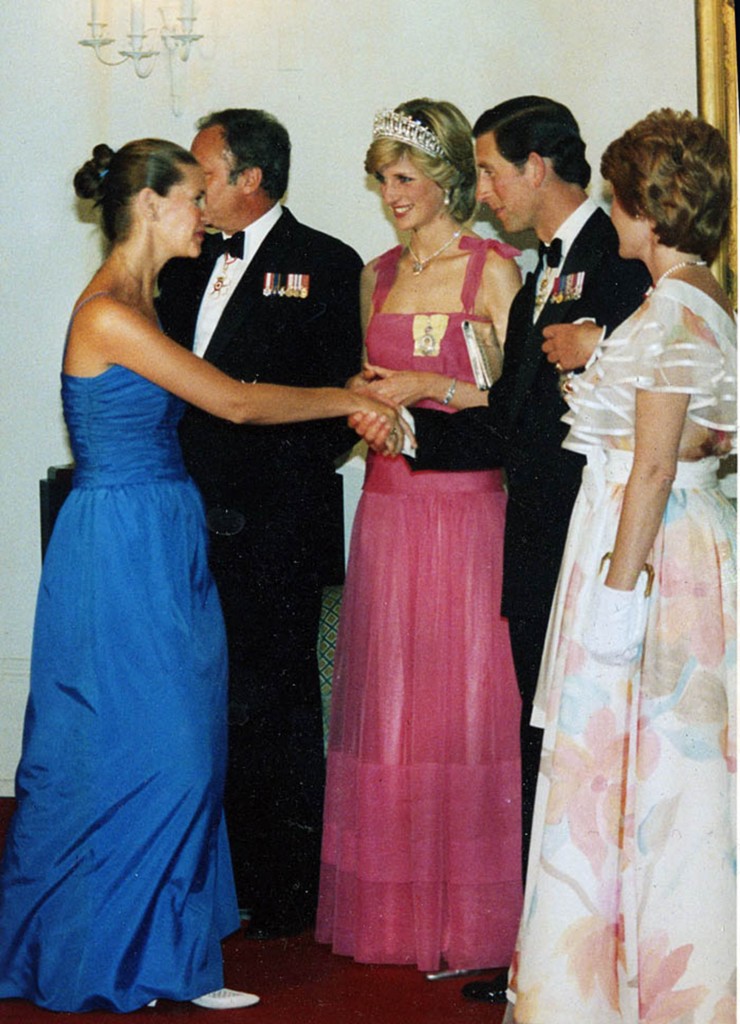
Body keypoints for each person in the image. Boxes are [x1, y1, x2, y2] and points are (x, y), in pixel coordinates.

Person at [0, 138, 399, 1014]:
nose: (203, 212)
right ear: (149, 206)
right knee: (150, 749)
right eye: (191, 198)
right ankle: (122, 957)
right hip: (118, 544)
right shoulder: (108, 311)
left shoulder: (144, 296)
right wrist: (354, 397)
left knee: (186, 745)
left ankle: (168, 950)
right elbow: (236, 400)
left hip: (166, 532)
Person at [351, 95, 651, 1002]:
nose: (479, 191)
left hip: (594, 539)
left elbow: (664, 391)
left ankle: (593, 951)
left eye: (485, 171)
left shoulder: (613, 262)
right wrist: (405, 433)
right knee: (547, 739)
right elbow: (516, 419)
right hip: (532, 534)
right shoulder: (555, 265)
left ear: (536, 167)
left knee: (579, 744)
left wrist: (599, 347)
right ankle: (551, 944)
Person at [505, 108, 736, 1024]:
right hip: (676, 540)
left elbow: (650, 466)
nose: (612, 211)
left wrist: (614, 599)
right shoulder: (695, 296)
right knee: (657, 780)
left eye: (618, 196)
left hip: (649, 555)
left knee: (641, 777)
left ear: (652, 206)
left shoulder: (678, 304)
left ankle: (639, 991)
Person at [316, 98, 523, 974]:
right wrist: (370, 400)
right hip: (389, 508)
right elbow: (361, 383)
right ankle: (395, 911)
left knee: (466, 703)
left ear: (447, 183)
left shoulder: (497, 271)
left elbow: (515, 407)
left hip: (468, 511)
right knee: (391, 700)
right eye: (382, 180)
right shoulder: (375, 275)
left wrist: (417, 389)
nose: (392, 195)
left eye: (405, 179)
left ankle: (473, 916)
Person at [156, 109, 364, 940]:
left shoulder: (324, 263)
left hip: (272, 527)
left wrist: (251, 494)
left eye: (202, 169)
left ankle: (281, 894)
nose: (190, 185)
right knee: (194, 701)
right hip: (180, 518)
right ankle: (211, 877)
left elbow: (331, 411)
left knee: (271, 707)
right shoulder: (178, 261)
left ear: (249, 178)